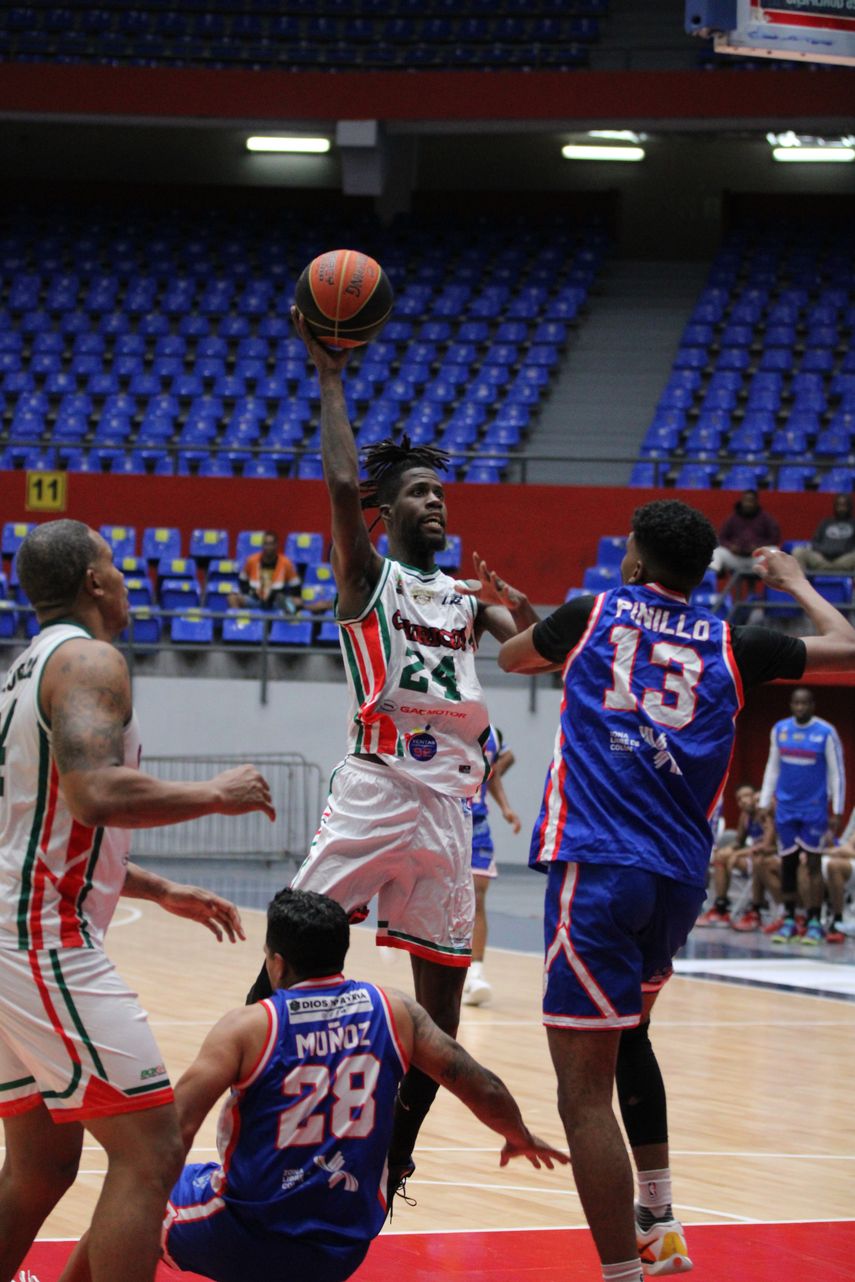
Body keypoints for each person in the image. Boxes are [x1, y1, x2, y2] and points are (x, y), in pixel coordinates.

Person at [489, 499, 855, 1282]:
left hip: (594, 866)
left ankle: (626, 1271)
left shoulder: (592, 612)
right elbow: (848, 647)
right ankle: (658, 1216)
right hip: (676, 881)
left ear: (632, 561)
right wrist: (791, 578)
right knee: (632, 1038)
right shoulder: (732, 640)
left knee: (580, 1097)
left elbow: (514, 657)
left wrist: (522, 620)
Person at [247, 308, 539, 1209]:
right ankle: (246, 1108)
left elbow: (531, 647)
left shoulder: (460, 596)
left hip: (449, 810)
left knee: (441, 1014)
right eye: (419, 494)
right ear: (385, 512)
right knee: (284, 958)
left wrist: (524, 616)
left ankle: (391, 1158)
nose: (436, 503)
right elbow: (339, 489)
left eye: (441, 494)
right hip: (377, 785)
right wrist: (331, 378)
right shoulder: (370, 579)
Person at [0, 519, 275, 1282]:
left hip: (14, 935)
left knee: (40, 1167)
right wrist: (215, 793)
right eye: (115, 566)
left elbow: (34, 821)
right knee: (151, 1148)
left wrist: (152, 886)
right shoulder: (91, 658)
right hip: (43, 941)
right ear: (92, 582)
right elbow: (92, 795)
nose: (125, 580)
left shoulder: (24, 668)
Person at [160, 888, 567, 1282]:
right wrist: (519, 1135)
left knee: (126, 1211)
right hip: (344, 1244)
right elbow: (482, 1085)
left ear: (277, 964)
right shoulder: (393, 1010)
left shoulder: (248, 1027)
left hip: (253, 1236)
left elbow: (171, 1132)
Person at [759, 686, 845, 946]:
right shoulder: (780, 730)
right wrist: (765, 801)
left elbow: (836, 773)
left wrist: (837, 810)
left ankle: (815, 920)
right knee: (788, 863)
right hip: (785, 807)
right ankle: (788, 918)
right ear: (791, 705)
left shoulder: (826, 733)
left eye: (805, 703)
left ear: (813, 705)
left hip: (814, 808)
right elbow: (772, 767)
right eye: (796, 703)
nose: (800, 708)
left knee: (814, 865)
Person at [463, 725, 521, 1007]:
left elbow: (495, 771)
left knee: (477, 897)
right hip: (445, 819)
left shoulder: (493, 734)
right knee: (443, 901)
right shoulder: (439, 722)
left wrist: (506, 809)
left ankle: (476, 974)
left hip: (478, 824)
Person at [695, 783, 778, 930]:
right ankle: (721, 907)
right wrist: (726, 850)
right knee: (721, 856)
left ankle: (756, 908)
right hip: (752, 856)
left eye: (747, 796)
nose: (744, 801)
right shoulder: (745, 817)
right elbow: (739, 842)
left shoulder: (766, 814)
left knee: (744, 859)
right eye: (739, 799)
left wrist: (736, 854)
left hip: (771, 856)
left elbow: (766, 846)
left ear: (756, 797)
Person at [710, 488, 781, 578]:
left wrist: (760, 546)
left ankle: (773, 586)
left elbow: (774, 537)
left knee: (774, 551)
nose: (748, 504)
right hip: (736, 558)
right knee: (716, 551)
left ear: (756, 502)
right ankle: (709, 584)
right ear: (742, 501)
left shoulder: (766, 518)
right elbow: (722, 538)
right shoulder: (732, 518)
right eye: (745, 501)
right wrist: (730, 546)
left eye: (751, 501)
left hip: (757, 559)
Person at [228, 530, 301, 612]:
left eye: (271, 544)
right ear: (262, 546)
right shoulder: (251, 561)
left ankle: (284, 621)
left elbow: (296, 587)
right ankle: (241, 622)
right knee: (232, 598)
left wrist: (281, 595)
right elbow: (242, 582)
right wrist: (253, 592)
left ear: (276, 545)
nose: (268, 547)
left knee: (297, 602)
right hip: (255, 600)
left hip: (276, 601)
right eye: (266, 544)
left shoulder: (286, 563)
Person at [793, 493, 855, 574]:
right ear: (835, 506)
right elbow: (814, 542)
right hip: (823, 559)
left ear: (849, 507)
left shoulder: (853, 523)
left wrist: (841, 551)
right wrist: (824, 551)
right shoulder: (825, 523)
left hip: (844, 560)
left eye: (844, 505)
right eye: (839, 505)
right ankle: (801, 585)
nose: (841, 508)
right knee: (798, 551)